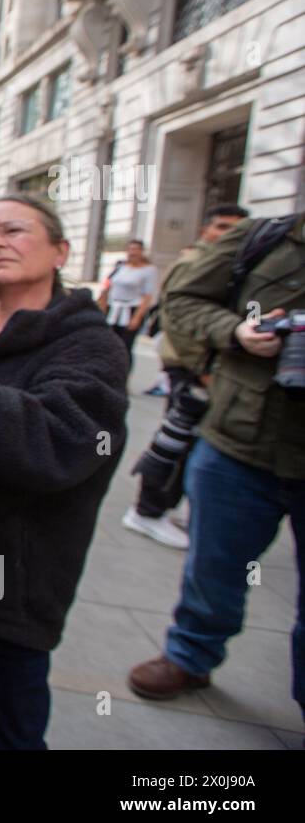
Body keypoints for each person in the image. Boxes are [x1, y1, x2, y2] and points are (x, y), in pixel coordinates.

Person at [0, 195, 129, 749]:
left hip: (9, 599)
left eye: (13, 230)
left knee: (5, 732)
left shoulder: (91, 347)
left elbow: (50, 448)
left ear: (61, 250)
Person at [128, 212, 304, 722]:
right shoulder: (265, 238)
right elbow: (181, 301)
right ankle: (190, 656)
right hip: (237, 443)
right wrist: (236, 331)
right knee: (213, 568)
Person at [120, 205, 249, 549]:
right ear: (206, 229)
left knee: (196, 442)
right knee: (176, 439)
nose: (228, 235)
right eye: (222, 227)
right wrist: (200, 370)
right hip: (192, 371)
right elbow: (178, 317)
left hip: (214, 371)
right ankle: (148, 510)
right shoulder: (197, 262)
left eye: (237, 228)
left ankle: (163, 507)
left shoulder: (239, 262)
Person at [96, 239, 158, 373]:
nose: (132, 253)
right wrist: (103, 305)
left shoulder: (148, 270)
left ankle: (123, 375)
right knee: (109, 344)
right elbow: (108, 286)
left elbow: (147, 296)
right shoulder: (121, 267)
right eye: (130, 249)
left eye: (136, 249)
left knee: (125, 346)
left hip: (131, 309)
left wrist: (137, 317)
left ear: (141, 251)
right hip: (114, 309)